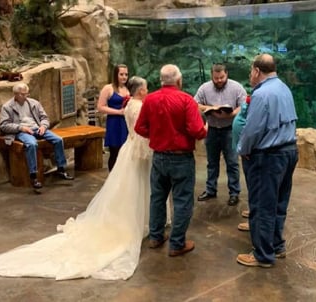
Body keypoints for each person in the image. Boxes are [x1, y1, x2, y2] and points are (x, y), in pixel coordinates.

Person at [0, 76, 170, 280]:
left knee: (131, 186)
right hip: (139, 149)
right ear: (140, 90)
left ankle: (145, 218)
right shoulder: (139, 107)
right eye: (145, 88)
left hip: (130, 147)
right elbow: (144, 130)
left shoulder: (131, 103)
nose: (147, 89)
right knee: (140, 184)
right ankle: (141, 220)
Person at [135, 64, 207, 257]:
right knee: (182, 200)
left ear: (161, 80)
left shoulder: (149, 100)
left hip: (158, 157)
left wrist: (158, 135)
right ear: (179, 80)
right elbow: (197, 131)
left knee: (157, 197)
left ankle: (156, 237)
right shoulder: (186, 100)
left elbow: (139, 128)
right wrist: (205, 128)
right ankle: (176, 244)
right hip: (181, 158)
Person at [236, 54, 298, 267]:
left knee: (262, 205)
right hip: (289, 152)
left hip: (269, 157)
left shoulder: (261, 94)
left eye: (250, 72)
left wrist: (243, 149)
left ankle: (263, 254)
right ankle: (276, 245)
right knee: (279, 202)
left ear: (256, 71)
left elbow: (252, 130)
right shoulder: (284, 88)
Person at [0, 83, 73, 189]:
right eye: (23, 94)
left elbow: (44, 117)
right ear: (16, 94)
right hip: (22, 131)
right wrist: (21, 128)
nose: (26, 96)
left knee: (58, 139)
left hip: (37, 128)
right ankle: (33, 175)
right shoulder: (7, 107)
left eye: (27, 94)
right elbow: (4, 125)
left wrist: (43, 126)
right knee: (32, 144)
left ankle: (61, 169)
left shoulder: (34, 103)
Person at [194, 63, 246, 206]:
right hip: (212, 129)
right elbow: (195, 104)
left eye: (221, 77)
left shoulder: (236, 87)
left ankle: (234, 192)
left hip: (229, 130)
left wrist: (231, 114)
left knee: (232, 162)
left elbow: (244, 105)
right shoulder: (204, 88)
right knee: (212, 162)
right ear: (212, 76)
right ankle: (211, 190)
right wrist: (210, 108)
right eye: (216, 78)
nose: (219, 80)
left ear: (226, 74)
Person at [97, 64, 130, 171]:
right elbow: (100, 107)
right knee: (114, 152)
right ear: (116, 75)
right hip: (114, 123)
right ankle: (112, 179)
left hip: (126, 123)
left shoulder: (128, 88)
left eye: (126, 74)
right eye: (121, 74)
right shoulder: (108, 88)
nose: (124, 77)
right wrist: (118, 112)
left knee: (125, 153)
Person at [232, 95, 251, 231]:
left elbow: (255, 128)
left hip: (252, 152)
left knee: (257, 187)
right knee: (252, 185)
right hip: (246, 152)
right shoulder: (254, 95)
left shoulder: (262, 97)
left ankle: (255, 221)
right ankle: (254, 211)